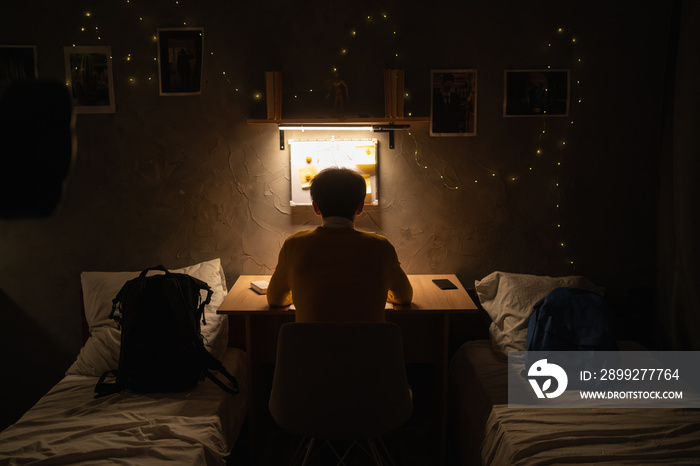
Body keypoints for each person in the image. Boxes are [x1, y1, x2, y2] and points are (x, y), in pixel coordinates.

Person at [267, 167, 413, 322]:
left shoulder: (294, 245)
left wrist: (300, 290)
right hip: (367, 345)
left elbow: (276, 299)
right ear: (360, 206)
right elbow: (404, 297)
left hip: (312, 345)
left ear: (316, 207)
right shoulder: (381, 247)